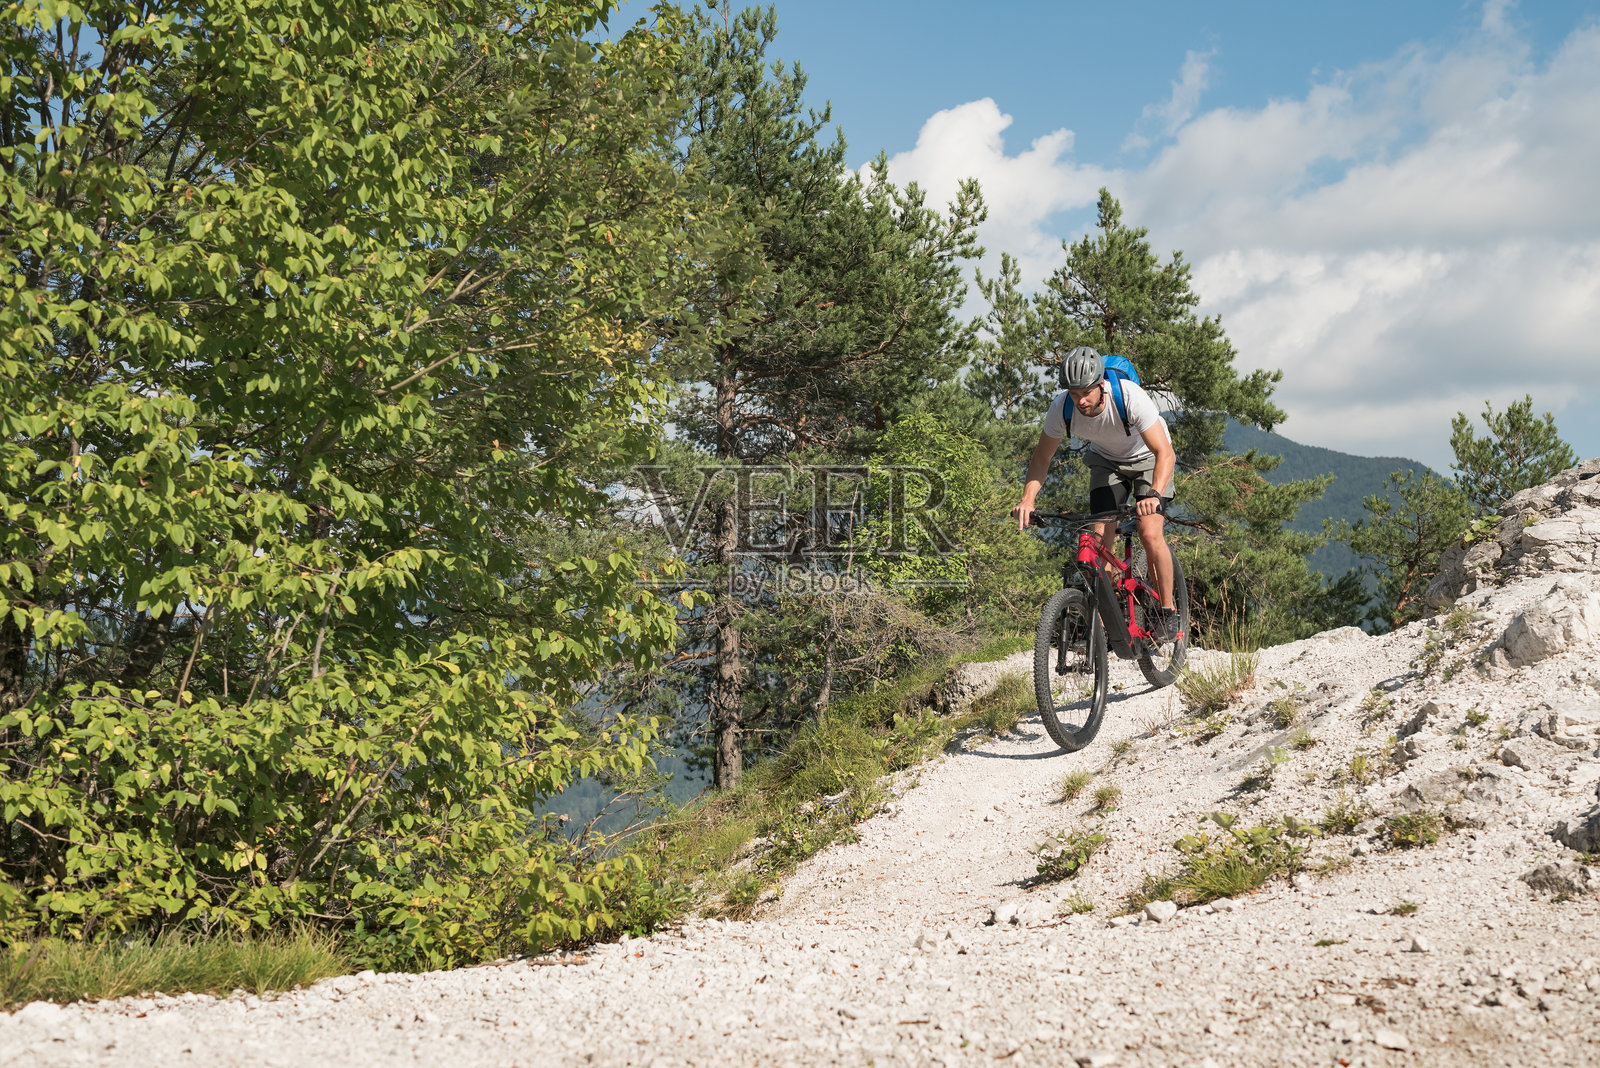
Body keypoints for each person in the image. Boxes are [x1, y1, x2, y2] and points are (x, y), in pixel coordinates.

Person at [1013, 346, 1179, 642]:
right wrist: (1028, 500)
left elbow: (1164, 451)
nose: (1081, 400)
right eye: (1074, 394)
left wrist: (1153, 494)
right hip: (1106, 461)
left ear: (1101, 384)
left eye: (1087, 392)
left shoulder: (1128, 397)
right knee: (1097, 541)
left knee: (1150, 533)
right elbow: (1041, 459)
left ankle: (1168, 612)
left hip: (1148, 458)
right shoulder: (1061, 408)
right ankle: (1101, 633)